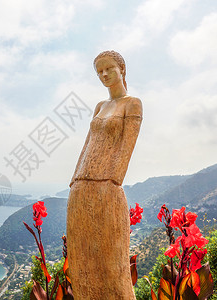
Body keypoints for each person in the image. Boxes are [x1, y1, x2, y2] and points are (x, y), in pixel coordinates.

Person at [67, 50, 142, 299]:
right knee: (81, 262)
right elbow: (87, 143)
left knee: (112, 263)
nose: (104, 74)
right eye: (99, 71)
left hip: (106, 187)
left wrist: (112, 180)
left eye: (109, 68)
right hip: (80, 186)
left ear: (122, 69)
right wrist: (74, 179)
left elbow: (126, 147)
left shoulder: (132, 104)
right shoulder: (100, 106)